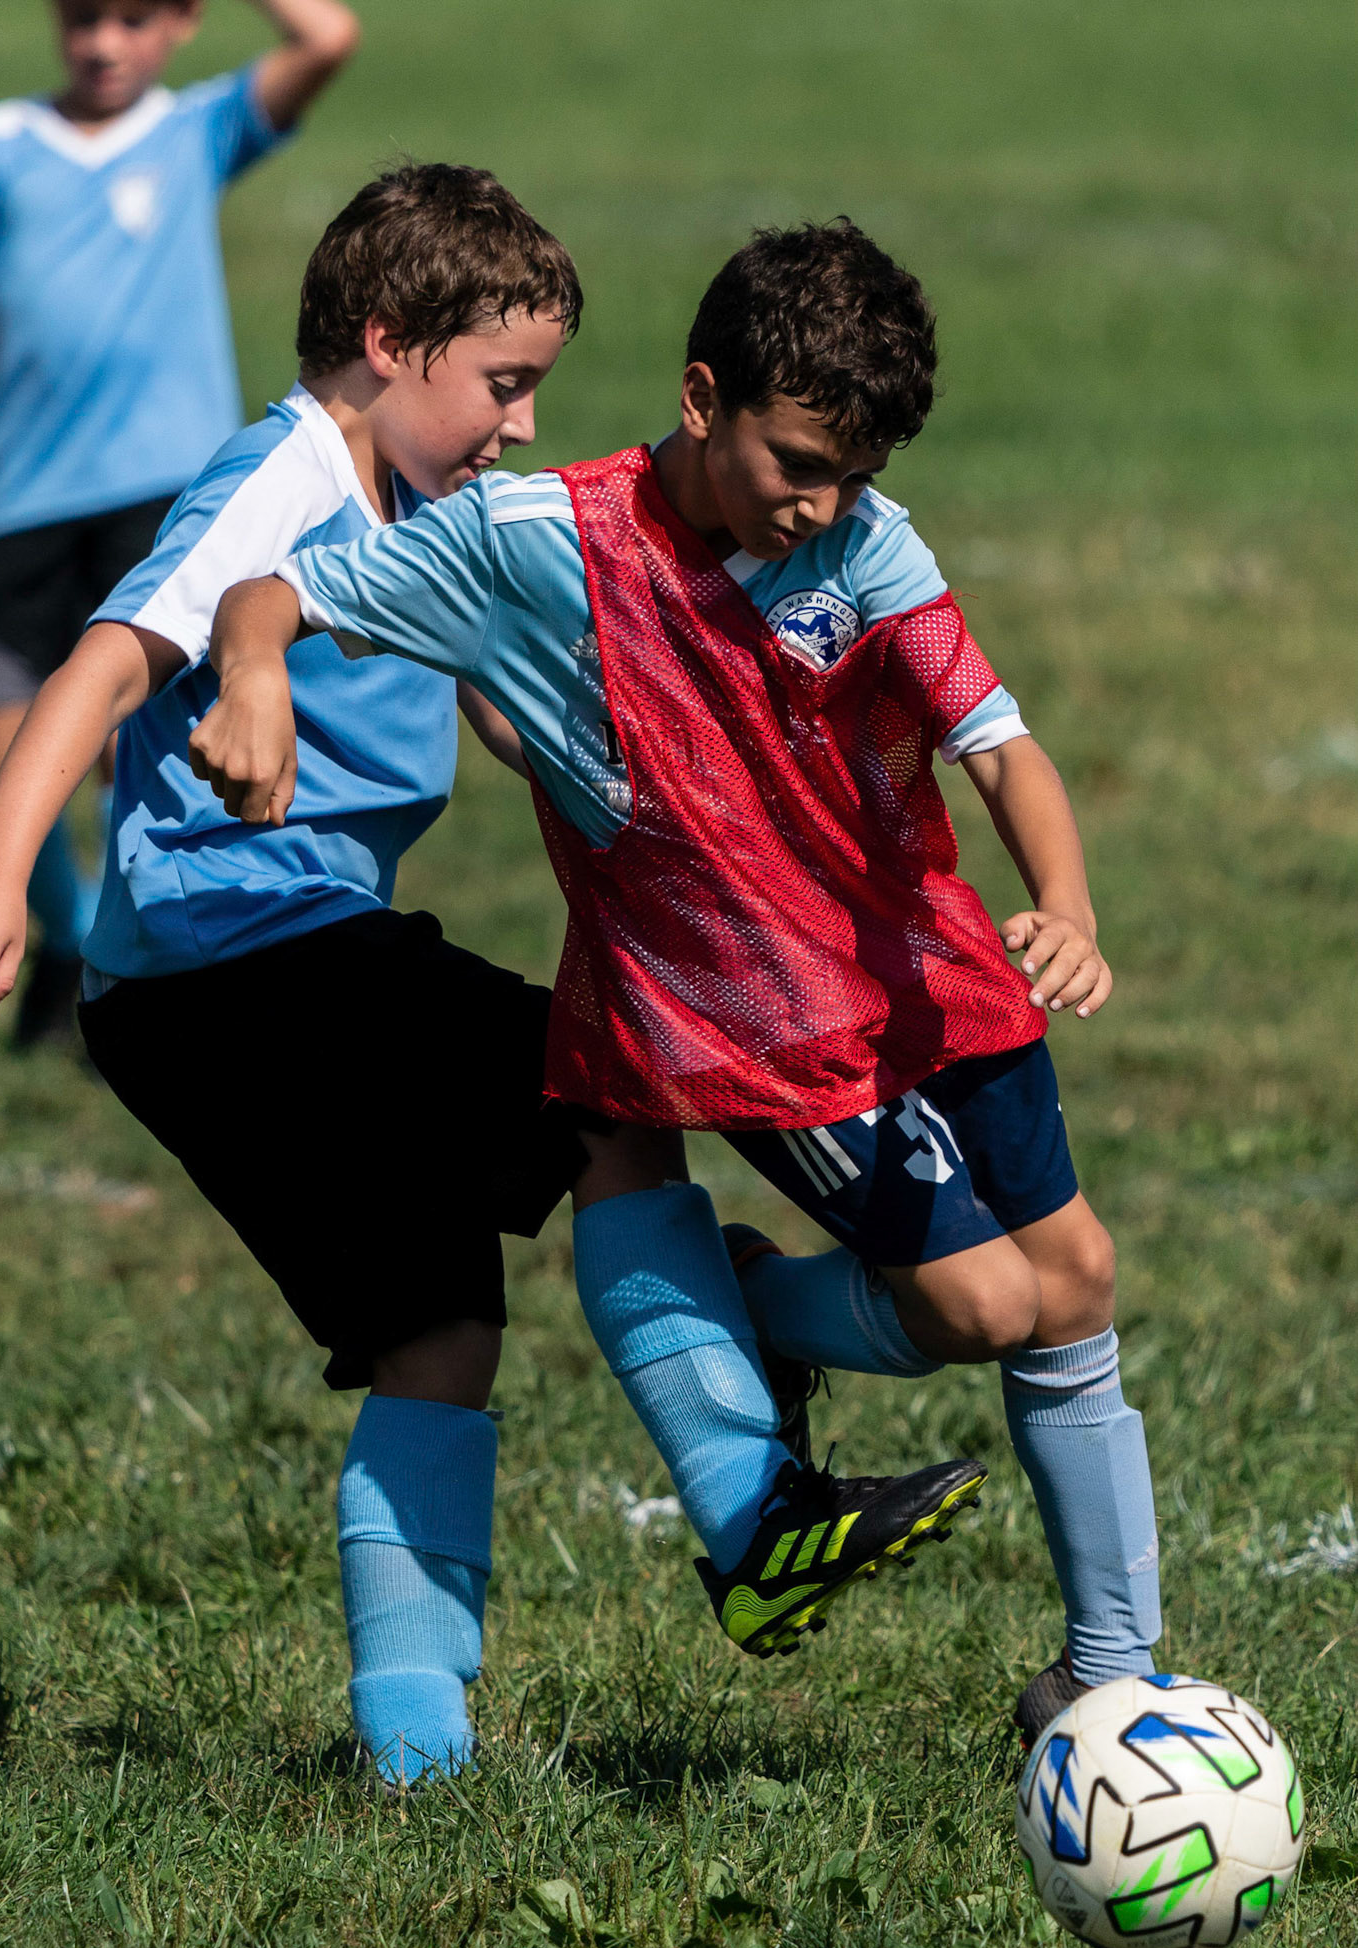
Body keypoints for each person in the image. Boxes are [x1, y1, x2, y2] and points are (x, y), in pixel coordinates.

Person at [0, 170, 979, 1785]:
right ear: (383, 345)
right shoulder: (281, 477)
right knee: (596, 1104)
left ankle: (417, 1759)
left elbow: (510, 709)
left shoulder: (411, 508)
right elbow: (103, 661)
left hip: (239, 984)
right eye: (497, 382)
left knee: (437, 1331)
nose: (517, 419)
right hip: (241, 967)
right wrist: (0, 874)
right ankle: (753, 1512)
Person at [197, 215, 1162, 1741]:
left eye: (851, 473)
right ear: (701, 397)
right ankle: (762, 1322)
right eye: (793, 462)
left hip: (928, 969)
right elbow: (272, 598)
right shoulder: (535, 544)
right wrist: (256, 681)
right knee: (986, 1307)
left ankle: (1111, 1676)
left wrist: (1066, 902)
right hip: (754, 1024)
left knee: (1080, 1278)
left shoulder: (861, 536)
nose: (821, 505)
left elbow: (996, 744)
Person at [0, 0, 360, 1045]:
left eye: (134, 18)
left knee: (128, 750)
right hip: (26, 495)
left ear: (181, 22)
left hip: (165, 496)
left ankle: (127, 976)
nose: (102, 43)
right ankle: (68, 937)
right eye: (83, 18)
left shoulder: (197, 129)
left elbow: (327, 37)